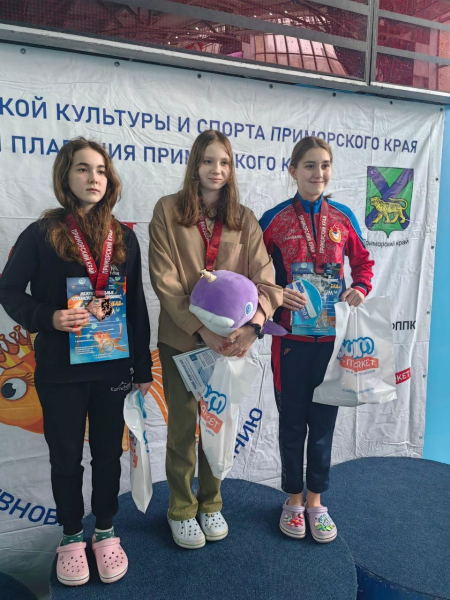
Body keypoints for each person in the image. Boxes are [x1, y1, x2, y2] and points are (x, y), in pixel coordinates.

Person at [0, 138, 152, 585]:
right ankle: (71, 534)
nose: (93, 178)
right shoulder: (41, 234)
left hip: (112, 368)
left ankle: (105, 530)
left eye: (101, 170)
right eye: (83, 169)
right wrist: (48, 317)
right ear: (66, 176)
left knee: (107, 455)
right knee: (65, 458)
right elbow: (8, 291)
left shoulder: (124, 237)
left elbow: (136, 307)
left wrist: (142, 368)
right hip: (60, 370)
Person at [148, 129, 282, 549]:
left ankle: (211, 504)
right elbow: (165, 280)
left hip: (228, 346)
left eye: (224, 162)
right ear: (195, 164)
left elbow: (267, 281)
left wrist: (254, 327)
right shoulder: (168, 210)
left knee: (217, 424)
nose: (216, 169)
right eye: (208, 161)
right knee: (182, 429)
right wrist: (200, 328)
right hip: (181, 340)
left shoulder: (244, 219)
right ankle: (181, 509)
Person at [260, 136, 374, 543]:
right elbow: (253, 273)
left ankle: (316, 502)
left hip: (332, 343)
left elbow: (363, 263)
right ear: (293, 170)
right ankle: (293, 500)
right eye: (309, 165)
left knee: (323, 427)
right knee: (292, 425)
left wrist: (359, 288)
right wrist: (276, 294)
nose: (318, 173)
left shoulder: (342, 217)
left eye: (325, 165)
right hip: (289, 343)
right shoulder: (273, 220)